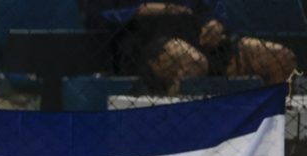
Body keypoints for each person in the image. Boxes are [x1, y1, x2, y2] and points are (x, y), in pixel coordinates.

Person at [79, 1, 297, 95]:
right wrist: (145, 10)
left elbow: (213, 9)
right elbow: (96, 16)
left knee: (279, 58)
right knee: (191, 63)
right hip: (143, 42)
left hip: (198, 36)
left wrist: (215, 24)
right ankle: (184, 146)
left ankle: (268, 147)